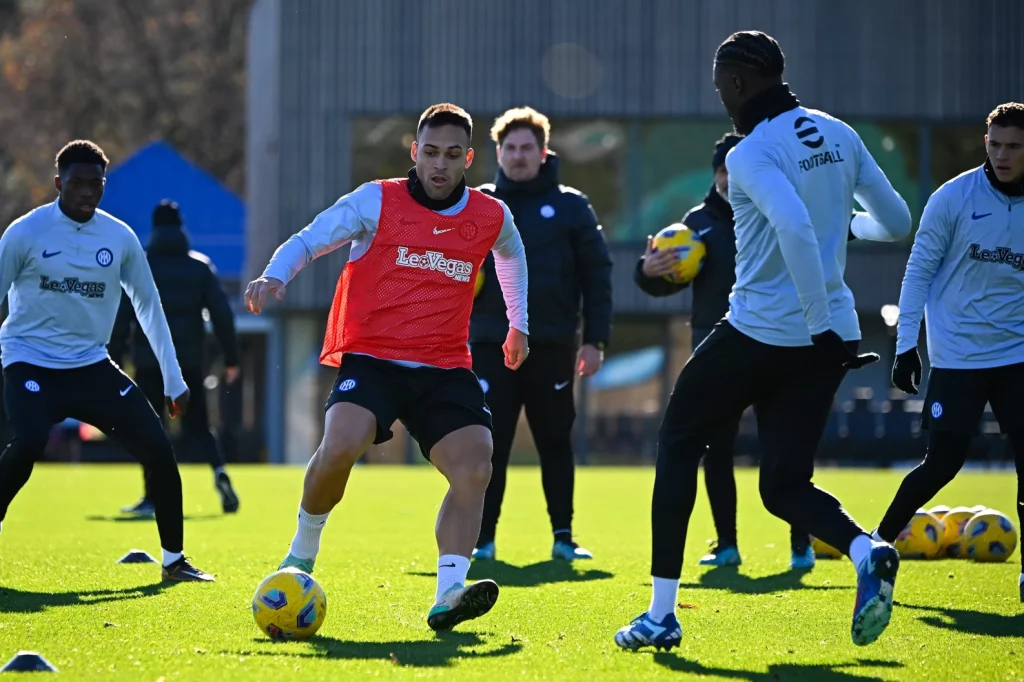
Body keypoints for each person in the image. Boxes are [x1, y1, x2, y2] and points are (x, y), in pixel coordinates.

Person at [613, 31, 913, 651]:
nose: (721, 96)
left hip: (762, 330)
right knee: (782, 485)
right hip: (831, 339)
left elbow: (798, 231)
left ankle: (661, 615)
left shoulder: (751, 153)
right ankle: (866, 550)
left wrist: (815, 317)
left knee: (676, 442)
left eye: (722, 85)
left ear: (739, 84)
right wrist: (841, 254)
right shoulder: (838, 131)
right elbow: (896, 221)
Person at [244, 103, 529, 631]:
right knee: (341, 444)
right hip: (372, 358)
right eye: (429, 153)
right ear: (413, 152)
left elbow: (510, 254)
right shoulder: (377, 199)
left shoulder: (491, 215)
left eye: (451, 155)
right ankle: (301, 555)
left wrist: (519, 323)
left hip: (444, 366)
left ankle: (448, 594)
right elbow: (311, 238)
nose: (439, 165)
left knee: (476, 466)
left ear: (468, 158)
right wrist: (274, 275)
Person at [0, 140, 213, 582]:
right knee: (29, 442)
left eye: (94, 184)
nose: (85, 192)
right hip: (30, 361)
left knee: (158, 449)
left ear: (103, 186)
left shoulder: (119, 238)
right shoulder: (24, 233)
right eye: (76, 183)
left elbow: (149, 308)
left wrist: (174, 381)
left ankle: (174, 561)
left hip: (90, 365)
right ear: (59, 183)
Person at [635, 132, 814, 570]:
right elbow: (657, 284)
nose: (731, 182)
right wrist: (648, 270)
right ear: (715, 175)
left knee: (784, 447)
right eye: (723, 173)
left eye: (739, 173)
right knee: (717, 448)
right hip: (717, 348)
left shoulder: (779, 213)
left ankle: (801, 545)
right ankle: (727, 544)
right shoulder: (695, 224)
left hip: (777, 342)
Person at [874, 102, 1024, 602]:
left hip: (1017, 355)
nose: (1003, 155)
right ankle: (875, 549)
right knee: (942, 463)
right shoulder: (953, 198)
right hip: (958, 356)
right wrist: (906, 347)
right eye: (995, 144)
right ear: (986, 143)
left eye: (1014, 147)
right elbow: (917, 272)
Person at [469, 107, 612, 563]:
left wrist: (596, 339)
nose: (518, 156)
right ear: (498, 152)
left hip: (552, 343)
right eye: (509, 148)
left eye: (526, 147)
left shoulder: (571, 206)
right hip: (491, 343)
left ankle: (562, 537)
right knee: (489, 442)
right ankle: (481, 539)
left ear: (543, 152)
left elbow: (598, 274)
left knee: (555, 439)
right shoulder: (479, 203)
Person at [109, 200, 241, 516]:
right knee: (199, 426)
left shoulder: (141, 265)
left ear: (154, 228)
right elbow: (221, 314)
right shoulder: (200, 266)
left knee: (151, 428)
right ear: (181, 227)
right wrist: (231, 357)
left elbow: (122, 316)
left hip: (148, 361)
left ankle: (152, 495)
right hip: (189, 362)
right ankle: (219, 470)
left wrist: (114, 357)